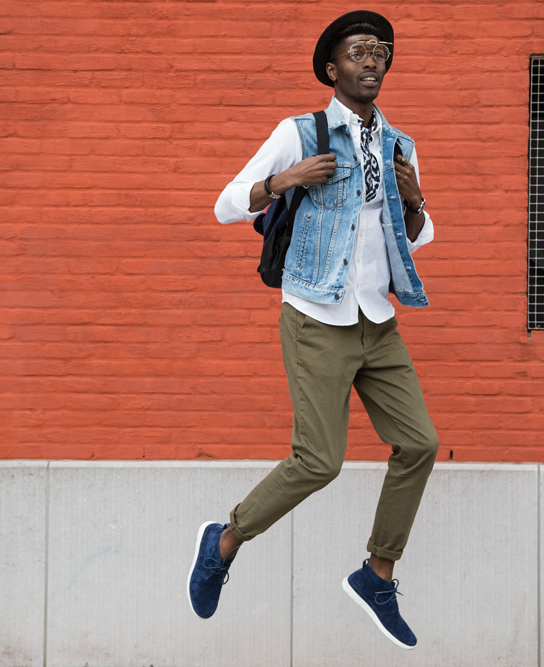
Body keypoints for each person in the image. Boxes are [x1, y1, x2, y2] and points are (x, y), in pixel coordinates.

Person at [191, 11, 439, 649]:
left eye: (381, 53)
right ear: (333, 69)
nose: (372, 62)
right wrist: (283, 181)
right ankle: (224, 541)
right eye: (360, 52)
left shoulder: (401, 146)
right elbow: (224, 204)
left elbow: (416, 237)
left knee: (419, 443)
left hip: (376, 322)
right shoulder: (299, 132)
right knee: (319, 460)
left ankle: (376, 573)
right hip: (316, 317)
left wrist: (413, 200)